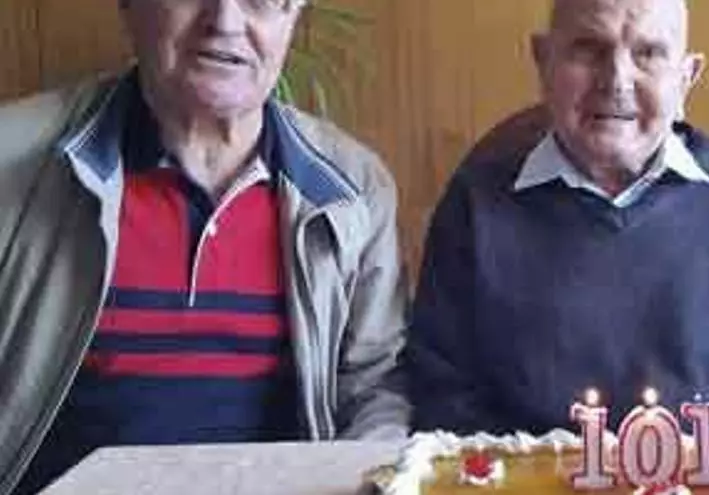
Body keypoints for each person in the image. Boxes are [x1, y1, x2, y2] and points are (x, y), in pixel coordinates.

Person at [407, 0, 709, 437]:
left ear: (687, 77)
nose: (616, 80)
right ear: (543, 61)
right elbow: (443, 405)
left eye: (648, 53)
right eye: (589, 48)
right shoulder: (476, 204)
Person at [0, 0, 408, 493]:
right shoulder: (14, 164)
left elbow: (374, 384)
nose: (225, 22)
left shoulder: (352, 191)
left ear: (293, 18)